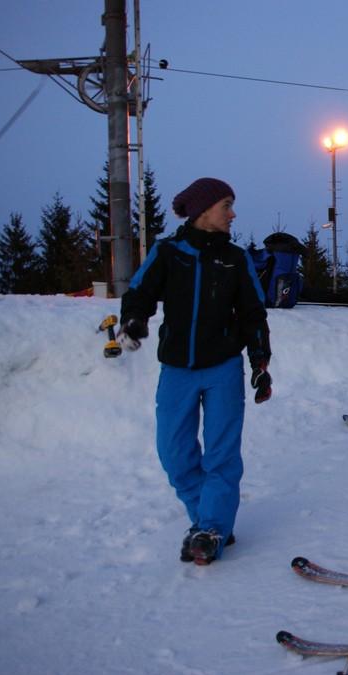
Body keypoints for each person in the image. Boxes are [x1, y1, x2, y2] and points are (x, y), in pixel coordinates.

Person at [118, 177, 272, 566]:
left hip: (222, 368)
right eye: (226, 206)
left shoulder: (236, 259)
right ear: (204, 210)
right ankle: (208, 519)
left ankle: (211, 529)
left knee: (221, 455)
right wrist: (134, 320)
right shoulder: (169, 252)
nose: (233, 214)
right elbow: (139, 293)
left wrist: (260, 364)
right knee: (174, 453)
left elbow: (254, 313)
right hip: (176, 369)